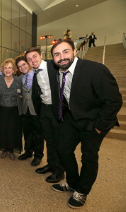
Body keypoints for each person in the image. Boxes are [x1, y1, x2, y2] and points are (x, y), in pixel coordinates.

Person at [50, 40, 122, 209]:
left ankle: (82, 191)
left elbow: (114, 101)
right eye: (57, 54)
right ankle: (72, 182)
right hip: (73, 119)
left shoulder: (95, 70)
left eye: (65, 52)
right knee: (63, 149)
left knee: (88, 157)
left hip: (95, 121)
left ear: (75, 51)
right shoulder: (59, 72)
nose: (62, 57)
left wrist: (99, 126)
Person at [27, 47, 65, 182]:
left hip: (56, 109)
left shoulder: (53, 65)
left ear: (41, 55)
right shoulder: (35, 73)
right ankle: (51, 164)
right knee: (49, 140)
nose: (33, 61)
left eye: (35, 57)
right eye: (29, 59)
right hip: (44, 110)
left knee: (58, 141)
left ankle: (59, 171)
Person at [15, 56, 44, 164]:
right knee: (27, 133)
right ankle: (28, 152)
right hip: (25, 110)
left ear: (28, 63)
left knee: (38, 134)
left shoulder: (38, 75)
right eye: (19, 67)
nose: (22, 68)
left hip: (36, 110)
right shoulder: (20, 78)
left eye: (23, 64)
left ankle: (38, 155)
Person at [0, 58, 22, 160]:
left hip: (14, 110)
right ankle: (5, 149)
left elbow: (20, 94)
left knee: (13, 131)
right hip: (2, 110)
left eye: (10, 67)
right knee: (3, 130)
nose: (7, 70)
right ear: (3, 69)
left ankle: (11, 150)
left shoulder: (18, 81)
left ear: (13, 69)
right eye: (5, 68)